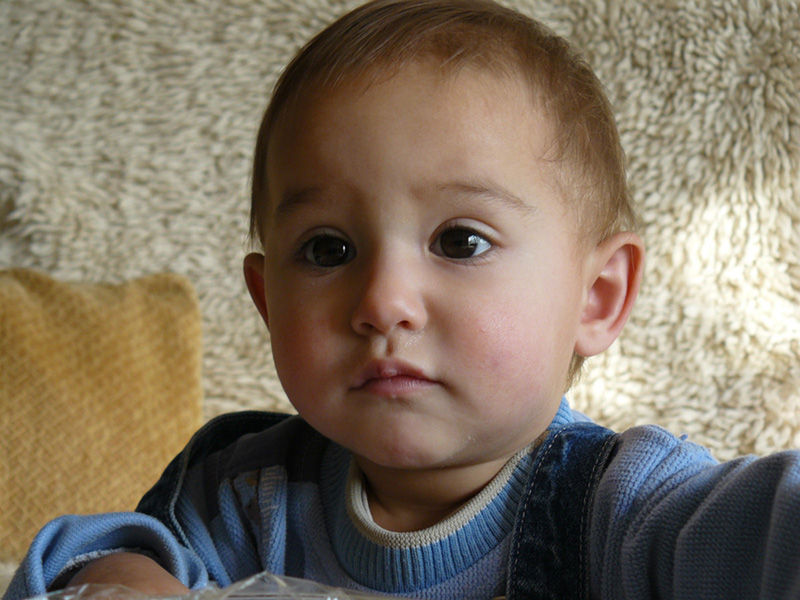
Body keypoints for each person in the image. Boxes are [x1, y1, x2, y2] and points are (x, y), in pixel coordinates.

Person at [5, 1, 800, 599]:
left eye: (461, 241)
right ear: (268, 303)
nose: (383, 303)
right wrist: (118, 578)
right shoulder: (244, 497)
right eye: (329, 250)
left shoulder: (625, 510)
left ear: (595, 298)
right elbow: (91, 556)